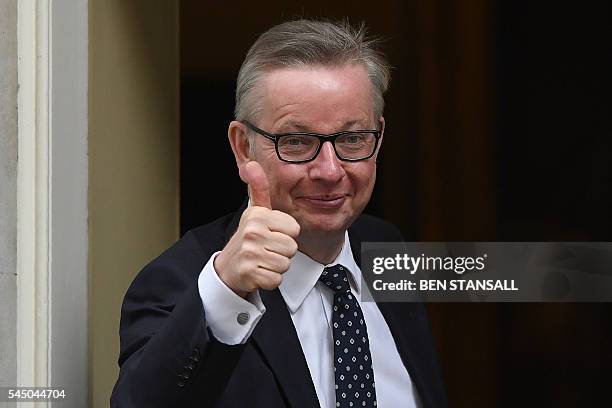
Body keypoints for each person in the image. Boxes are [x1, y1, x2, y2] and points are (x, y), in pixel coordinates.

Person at [111, 19, 446, 408]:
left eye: (352, 139)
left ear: (379, 136)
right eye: (297, 142)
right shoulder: (180, 282)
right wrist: (227, 292)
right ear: (243, 147)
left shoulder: (387, 246)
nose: (330, 170)